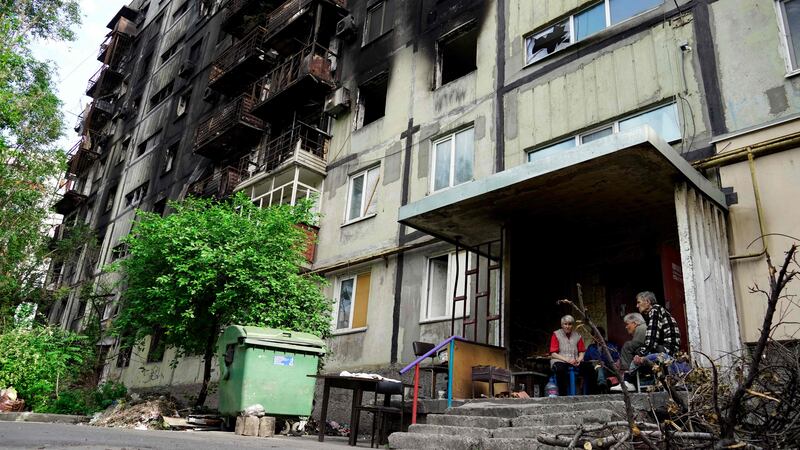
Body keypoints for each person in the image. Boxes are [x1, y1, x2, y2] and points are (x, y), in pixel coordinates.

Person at [549, 315, 594, 396]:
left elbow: (581, 351)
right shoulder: (556, 334)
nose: (567, 326)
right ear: (562, 325)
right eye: (565, 324)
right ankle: (563, 396)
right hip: (560, 360)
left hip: (575, 361)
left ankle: (590, 394)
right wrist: (567, 360)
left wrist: (579, 359)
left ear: (572, 325)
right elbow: (553, 354)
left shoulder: (577, 335)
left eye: (570, 324)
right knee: (560, 370)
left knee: (590, 368)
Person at [583, 327, 620, 393]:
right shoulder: (591, 347)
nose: (597, 338)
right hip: (594, 370)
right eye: (595, 336)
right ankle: (602, 385)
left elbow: (616, 359)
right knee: (598, 367)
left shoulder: (611, 346)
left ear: (603, 336)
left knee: (600, 368)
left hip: (608, 368)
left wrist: (605, 362)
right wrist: (596, 362)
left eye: (599, 336)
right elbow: (586, 360)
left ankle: (602, 385)